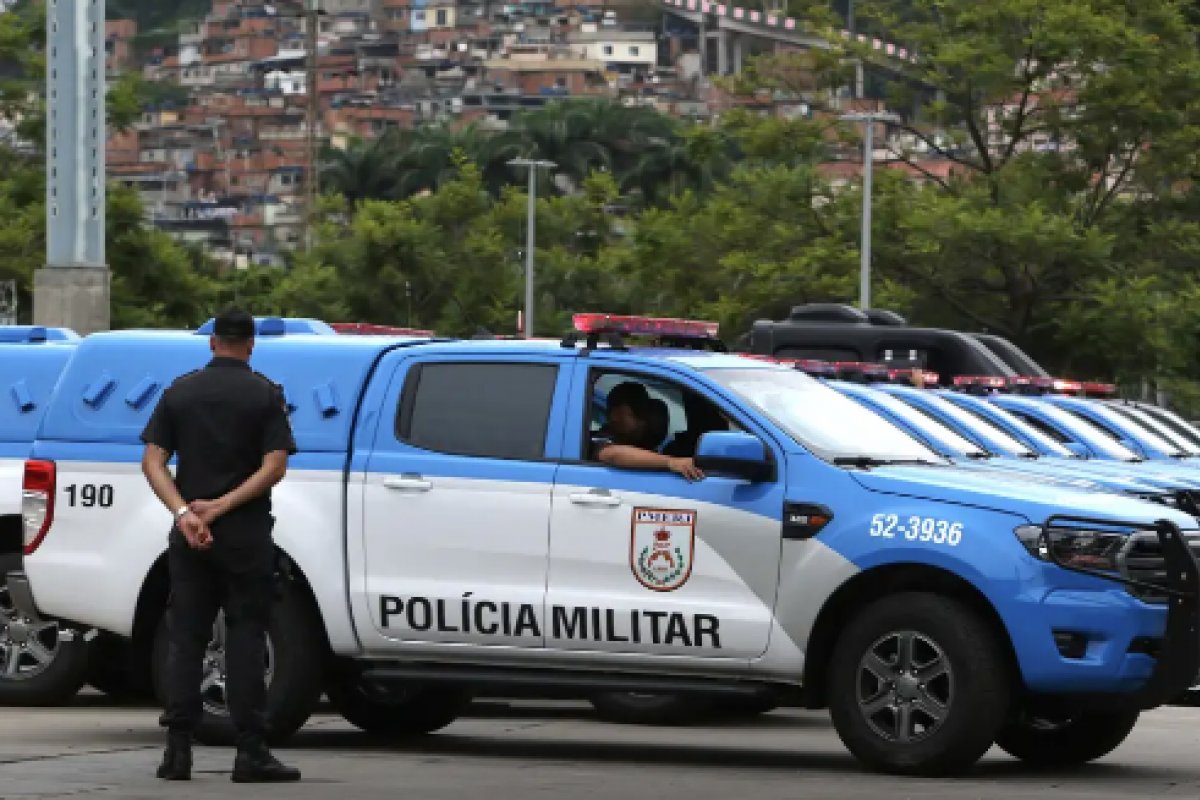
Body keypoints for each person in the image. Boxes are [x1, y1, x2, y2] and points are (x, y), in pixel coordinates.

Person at [139, 307, 301, 784]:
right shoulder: (265, 395)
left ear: (212, 343)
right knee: (246, 636)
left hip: (189, 537)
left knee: (186, 638)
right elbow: (275, 466)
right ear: (250, 344)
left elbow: (152, 460)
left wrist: (185, 512)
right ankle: (250, 752)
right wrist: (222, 507)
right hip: (245, 536)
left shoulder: (180, 392)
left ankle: (177, 751)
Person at [592, 381, 704, 481]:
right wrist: (672, 462)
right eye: (633, 414)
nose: (646, 422)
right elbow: (612, 454)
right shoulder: (603, 437)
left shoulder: (652, 447)